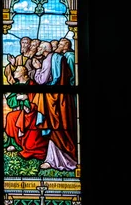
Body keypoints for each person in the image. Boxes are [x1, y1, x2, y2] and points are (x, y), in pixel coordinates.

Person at [31, 40, 77, 171]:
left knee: (56, 130)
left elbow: (42, 80)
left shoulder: (48, 60)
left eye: (40, 47)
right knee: (62, 128)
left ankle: (56, 160)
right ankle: (58, 159)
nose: (38, 48)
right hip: (63, 99)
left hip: (53, 100)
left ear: (45, 49)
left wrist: (37, 69)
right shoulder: (60, 58)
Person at [4, 65, 48, 159]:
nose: (14, 72)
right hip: (20, 111)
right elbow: (10, 101)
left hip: (31, 112)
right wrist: (16, 98)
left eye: (17, 71)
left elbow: (36, 100)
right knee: (10, 117)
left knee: (12, 117)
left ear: (22, 73)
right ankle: (15, 143)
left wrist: (26, 99)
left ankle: (22, 145)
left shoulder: (32, 85)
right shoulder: (16, 85)